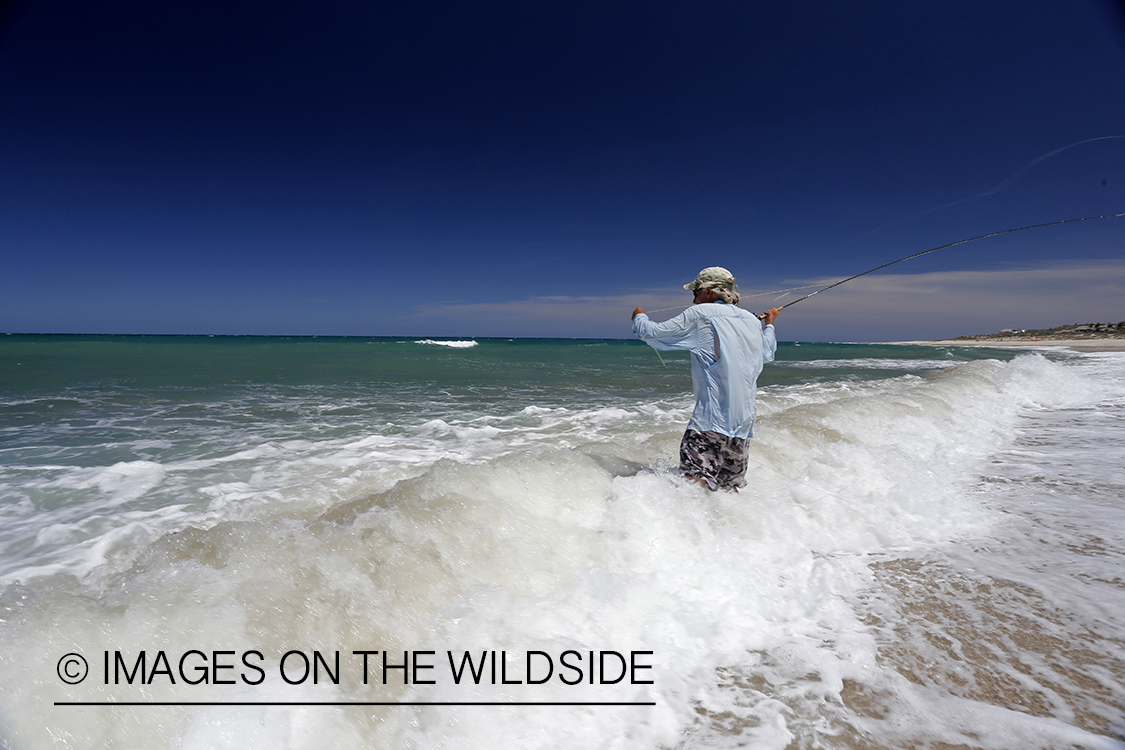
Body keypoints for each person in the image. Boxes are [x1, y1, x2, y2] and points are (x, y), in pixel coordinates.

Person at [631, 266, 781, 491]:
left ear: (709, 291)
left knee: (692, 490)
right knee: (728, 494)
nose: (693, 300)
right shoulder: (752, 321)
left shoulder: (700, 315)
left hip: (710, 424)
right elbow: (767, 352)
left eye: (695, 292)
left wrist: (639, 317)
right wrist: (769, 325)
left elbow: (653, 334)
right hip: (742, 428)